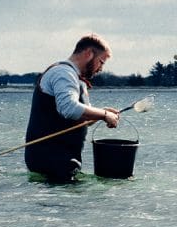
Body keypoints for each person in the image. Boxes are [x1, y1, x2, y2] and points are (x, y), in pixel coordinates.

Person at [24, 35, 120, 182]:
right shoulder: (63, 73)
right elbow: (69, 108)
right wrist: (104, 114)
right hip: (50, 160)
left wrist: (100, 114)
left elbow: (79, 118)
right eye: (101, 62)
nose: (101, 68)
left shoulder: (76, 78)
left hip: (63, 162)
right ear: (88, 54)